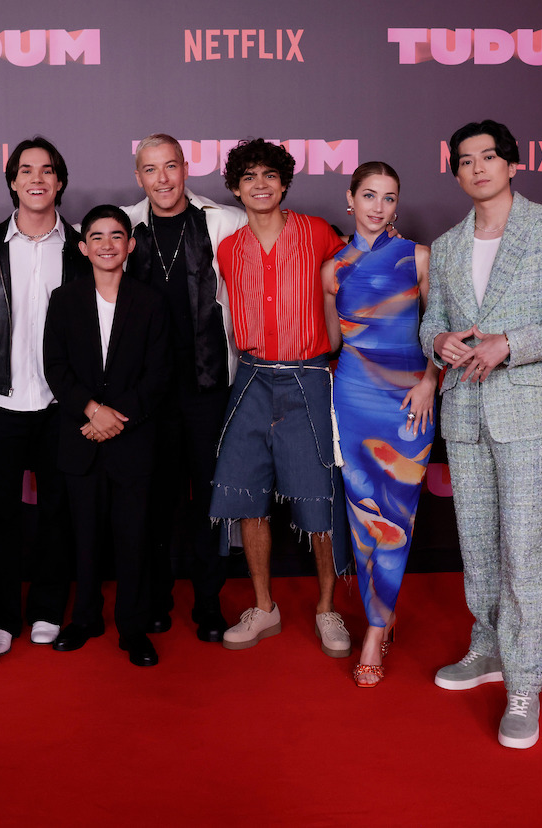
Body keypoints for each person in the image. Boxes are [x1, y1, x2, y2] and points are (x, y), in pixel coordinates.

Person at [419, 120, 542, 748]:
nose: (478, 168)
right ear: (457, 172)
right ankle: (487, 646)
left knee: (523, 550)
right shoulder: (445, 245)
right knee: (478, 543)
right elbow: (432, 325)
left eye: (489, 157)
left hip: (525, 410)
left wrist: (511, 344)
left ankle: (524, 684)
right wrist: (436, 342)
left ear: (513, 164)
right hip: (465, 411)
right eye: (465, 161)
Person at [210, 138, 350, 657]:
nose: (260, 185)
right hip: (249, 377)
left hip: (309, 375)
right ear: (235, 188)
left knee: (318, 492)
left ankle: (327, 608)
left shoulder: (318, 234)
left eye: (270, 175)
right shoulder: (228, 249)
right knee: (247, 493)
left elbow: (360, 275)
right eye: (249, 177)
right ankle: (264, 606)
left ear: (285, 182)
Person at [122, 133, 247, 643]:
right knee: (154, 499)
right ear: (139, 177)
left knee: (209, 501)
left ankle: (209, 602)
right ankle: (157, 599)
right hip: (148, 393)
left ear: (185, 167)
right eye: (151, 170)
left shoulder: (222, 222)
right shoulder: (124, 227)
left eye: (170, 167)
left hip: (208, 386)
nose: (162, 179)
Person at [0, 137, 90, 656]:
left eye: (47, 170)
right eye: (26, 170)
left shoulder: (84, 246)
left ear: (60, 181)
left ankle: (45, 608)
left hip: (61, 404)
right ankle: (1, 614)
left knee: (57, 512)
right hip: (0, 400)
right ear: (13, 182)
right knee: (1, 516)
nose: (36, 178)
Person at [321, 162, 437, 687]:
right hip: (353, 396)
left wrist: (431, 379)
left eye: (389, 198)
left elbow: (438, 330)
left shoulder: (418, 258)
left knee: (397, 514)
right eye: (369, 195)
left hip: (410, 398)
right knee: (364, 511)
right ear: (350, 199)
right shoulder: (333, 269)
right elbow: (334, 347)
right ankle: (378, 620)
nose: (378, 207)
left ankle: (374, 627)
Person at [43, 205, 170, 666]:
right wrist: (94, 412)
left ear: (130, 245)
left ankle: (133, 628)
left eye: (117, 236)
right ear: (83, 248)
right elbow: (54, 367)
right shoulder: (64, 299)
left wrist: (117, 419)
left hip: (133, 440)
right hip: (80, 435)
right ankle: (86, 618)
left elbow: (158, 375)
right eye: (96, 237)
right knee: (84, 536)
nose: (107, 245)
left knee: (133, 537)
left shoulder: (151, 301)